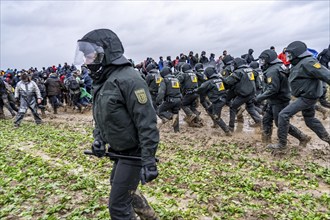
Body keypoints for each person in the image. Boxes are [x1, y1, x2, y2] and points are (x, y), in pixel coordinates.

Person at [74, 28, 159, 219]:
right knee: (119, 185)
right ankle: (148, 215)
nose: (87, 62)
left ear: (104, 53)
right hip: (119, 150)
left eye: (89, 56)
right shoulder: (104, 81)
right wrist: (99, 139)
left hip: (133, 153)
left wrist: (149, 160)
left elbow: (147, 123)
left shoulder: (130, 79)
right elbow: (102, 117)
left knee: (118, 208)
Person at [268, 41, 330, 150]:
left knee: (283, 115)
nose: (288, 57)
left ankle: (282, 144)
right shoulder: (298, 63)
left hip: (307, 97)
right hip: (305, 95)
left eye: (289, 55)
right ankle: (328, 139)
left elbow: (326, 75)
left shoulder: (309, 62)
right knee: (310, 120)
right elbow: (297, 74)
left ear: (296, 53)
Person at [255, 49, 311, 146]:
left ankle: (302, 137)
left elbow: (273, 89)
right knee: (266, 119)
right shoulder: (279, 66)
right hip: (275, 99)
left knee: (280, 123)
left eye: (263, 60)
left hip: (279, 100)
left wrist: (259, 98)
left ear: (269, 60)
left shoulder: (272, 71)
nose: (261, 63)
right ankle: (266, 142)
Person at [223, 57, 262, 131]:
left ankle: (231, 127)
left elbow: (228, 82)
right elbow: (256, 74)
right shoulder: (250, 70)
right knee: (250, 107)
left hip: (244, 94)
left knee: (233, 107)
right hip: (251, 93)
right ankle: (259, 121)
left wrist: (221, 78)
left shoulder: (238, 72)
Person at [196, 67, 232, 135]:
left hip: (218, 101)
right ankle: (215, 124)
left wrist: (193, 90)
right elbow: (227, 84)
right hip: (223, 99)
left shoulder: (208, 82)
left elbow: (200, 89)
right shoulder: (220, 79)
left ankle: (227, 131)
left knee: (216, 117)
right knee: (209, 110)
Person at [156, 67, 182, 132]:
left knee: (159, 111)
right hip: (178, 100)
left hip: (170, 100)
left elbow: (161, 92)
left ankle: (171, 116)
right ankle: (177, 131)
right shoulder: (176, 79)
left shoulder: (164, 80)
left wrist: (158, 101)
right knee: (176, 114)